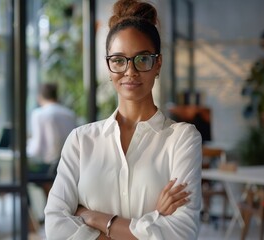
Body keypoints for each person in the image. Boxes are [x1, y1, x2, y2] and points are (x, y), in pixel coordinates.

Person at [44, 1, 202, 239]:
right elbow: (55, 227)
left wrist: (96, 219)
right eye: (119, 60)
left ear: (158, 63)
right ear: (109, 66)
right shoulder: (81, 140)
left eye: (142, 59)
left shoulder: (182, 138)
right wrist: (153, 219)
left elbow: (182, 232)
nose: (130, 71)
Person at [27, 82, 77, 173]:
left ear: (39, 97)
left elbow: (36, 148)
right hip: (68, 165)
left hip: (48, 168)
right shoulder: (69, 114)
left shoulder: (38, 114)